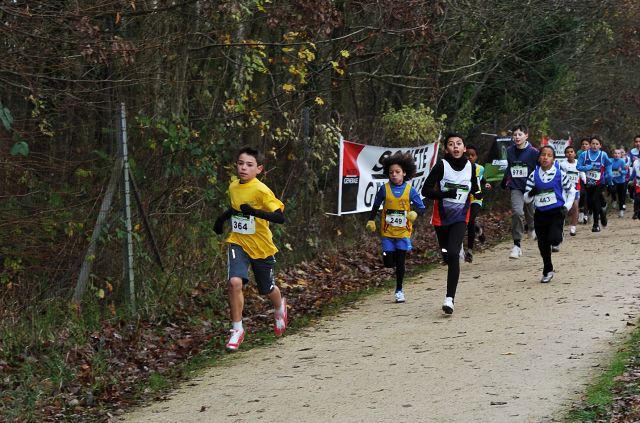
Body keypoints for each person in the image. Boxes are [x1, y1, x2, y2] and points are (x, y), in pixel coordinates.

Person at [213, 146, 287, 352]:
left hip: (262, 247)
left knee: (267, 289)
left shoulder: (262, 190)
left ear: (259, 169)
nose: (243, 168)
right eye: (240, 163)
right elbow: (236, 208)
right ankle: (237, 329)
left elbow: (280, 217)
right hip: (239, 242)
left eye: (249, 165)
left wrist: (254, 212)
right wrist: (221, 220)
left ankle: (280, 307)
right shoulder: (234, 186)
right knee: (234, 282)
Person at [422, 133, 481, 314]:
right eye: (451, 144)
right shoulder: (441, 166)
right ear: (446, 149)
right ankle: (452, 252)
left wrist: (478, 193)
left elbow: (475, 187)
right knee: (447, 255)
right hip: (441, 218)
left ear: (464, 148)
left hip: (460, 216)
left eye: (459, 144)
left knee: (454, 253)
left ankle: (449, 299)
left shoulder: (470, 166)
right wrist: (445, 194)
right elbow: (426, 190)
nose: (455, 147)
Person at [366, 152, 426, 303]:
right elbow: (375, 205)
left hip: (403, 232)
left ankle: (399, 290)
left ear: (404, 173)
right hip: (387, 232)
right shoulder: (384, 189)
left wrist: (414, 213)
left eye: (397, 172)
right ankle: (392, 265)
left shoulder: (410, 190)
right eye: (391, 172)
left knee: (400, 262)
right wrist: (371, 220)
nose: (394, 175)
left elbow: (422, 208)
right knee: (388, 261)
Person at [524, 146, 575, 283]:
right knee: (543, 245)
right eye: (543, 155)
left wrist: (567, 206)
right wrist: (531, 193)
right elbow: (526, 199)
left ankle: (559, 236)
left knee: (554, 239)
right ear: (539, 158)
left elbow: (572, 191)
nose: (545, 157)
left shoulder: (560, 174)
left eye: (549, 155)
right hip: (540, 213)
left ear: (553, 159)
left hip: (557, 212)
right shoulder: (533, 176)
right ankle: (548, 270)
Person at [500, 124, 539, 259]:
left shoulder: (534, 152)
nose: (517, 137)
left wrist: (539, 183)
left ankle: (533, 228)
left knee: (531, 213)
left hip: (530, 187)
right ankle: (517, 245)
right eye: (515, 135)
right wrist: (504, 179)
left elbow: (540, 168)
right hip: (515, 187)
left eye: (520, 134)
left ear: (526, 136)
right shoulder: (510, 150)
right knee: (517, 212)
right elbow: (510, 167)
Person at [576, 135, 612, 232]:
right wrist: (587, 167)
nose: (595, 146)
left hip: (600, 182)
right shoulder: (584, 155)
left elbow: (608, 164)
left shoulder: (603, 155)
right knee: (591, 202)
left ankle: (596, 224)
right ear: (590, 145)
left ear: (600, 145)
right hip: (588, 183)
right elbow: (578, 167)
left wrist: (609, 174)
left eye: (597, 144)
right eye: (593, 144)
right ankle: (602, 213)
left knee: (594, 199)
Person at [464, 145, 491, 262]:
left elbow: (482, 179)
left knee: (470, 220)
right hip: (463, 199)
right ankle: (479, 230)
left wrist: (486, 184)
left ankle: (469, 251)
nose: (469, 157)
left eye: (472, 155)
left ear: (476, 157)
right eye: (467, 155)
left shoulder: (480, 169)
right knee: (469, 222)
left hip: (476, 198)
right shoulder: (459, 169)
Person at [559, 145, 580, 236]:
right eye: (568, 152)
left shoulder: (579, 163)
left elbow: (582, 172)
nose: (570, 153)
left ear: (575, 154)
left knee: (575, 206)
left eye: (571, 152)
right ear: (565, 155)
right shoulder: (562, 165)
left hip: (576, 189)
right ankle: (560, 227)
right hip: (565, 189)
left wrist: (584, 179)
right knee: (565, 208)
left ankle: (573, 228)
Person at [609, 148, 628, 218]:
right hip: (613, 180)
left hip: (621, 181)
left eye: (618, 153)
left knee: (621, 196)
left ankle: (621, 211)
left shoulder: (622, 162)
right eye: (615, 153)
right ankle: (614, 199)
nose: (616, 155)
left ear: (621, 155)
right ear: (612, 154)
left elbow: (626, 172)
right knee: (612, 190)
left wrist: (621, 171)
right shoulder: (610, 161)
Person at [577, 137, 590, 224]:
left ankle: (587, 213)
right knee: (583, 194)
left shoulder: (593, 154)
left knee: (590, 196)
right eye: (583, 144)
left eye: (586, 144)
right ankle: (582, 212)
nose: (584, 146)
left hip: (591, 177)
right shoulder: (579, 153)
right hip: (581, 176)